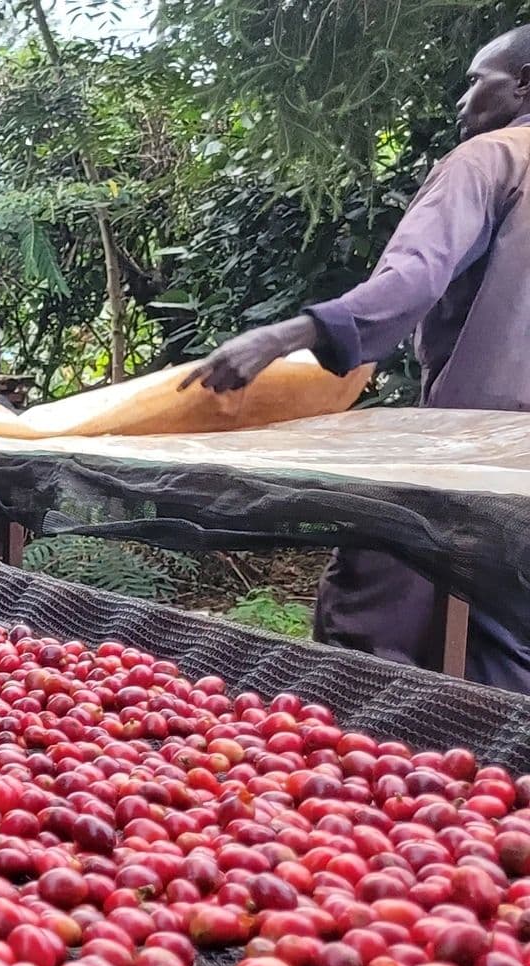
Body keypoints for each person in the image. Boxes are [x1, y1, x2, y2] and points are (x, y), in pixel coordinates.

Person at [182, 25, 530, 689]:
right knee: (507, 657)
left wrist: (280, 338)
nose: (462, 101)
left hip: (474, 455)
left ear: (524, 83)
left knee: (369, 626)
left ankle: (360, 772)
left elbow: (412, 282)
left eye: (476, 80)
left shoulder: (492, 158)